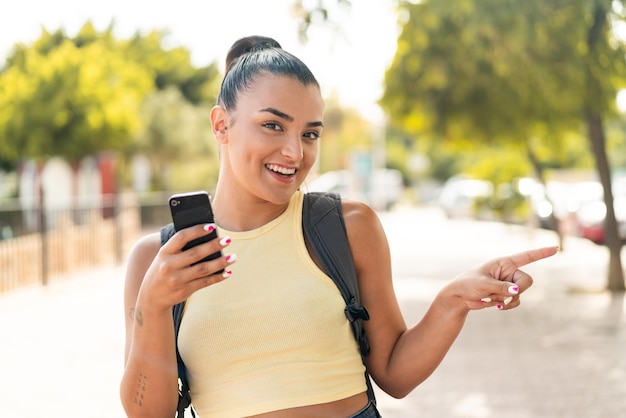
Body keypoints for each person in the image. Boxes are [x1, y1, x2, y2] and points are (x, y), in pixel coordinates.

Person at [120, 35, 558, 418]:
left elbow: (394, 374)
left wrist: (452, 301)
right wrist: (154, 303)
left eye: (310, 134)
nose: (294, 152)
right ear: (221, 125)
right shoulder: (157, 258)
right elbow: (148, 413)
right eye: (273, 125)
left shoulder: (346, 226)